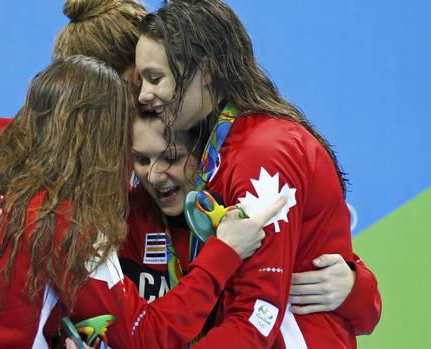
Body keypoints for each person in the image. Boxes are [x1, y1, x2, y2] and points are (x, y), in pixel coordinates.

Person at [0, 0, 380, 343]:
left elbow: (273, 305)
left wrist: (359, 290)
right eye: (142, 88)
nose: (154, 171)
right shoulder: (50, 191)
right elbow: (143, 332)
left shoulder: (224, 153)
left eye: (156, 86)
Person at [134, 0, 380, 347]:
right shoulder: (225, 146)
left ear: (206, 71)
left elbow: (257, 318)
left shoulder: (262, 152)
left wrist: (361, 290)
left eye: (155, 78)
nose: (145, 94)